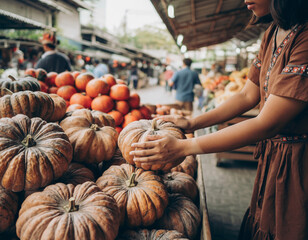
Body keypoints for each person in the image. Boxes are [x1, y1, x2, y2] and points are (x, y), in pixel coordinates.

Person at [129, 0, 308, 239]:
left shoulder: (305, 38)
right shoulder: (271, 33)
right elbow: (247, 95)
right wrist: (193, 123)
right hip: (274, 158)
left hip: (300, 161)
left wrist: (185, 146)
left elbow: (267, 123)